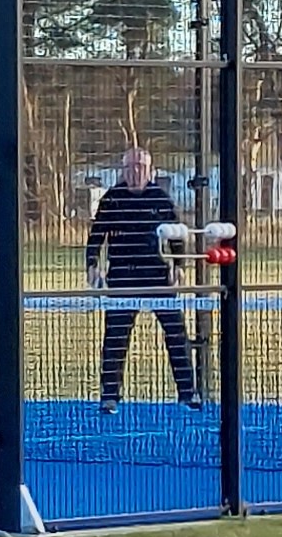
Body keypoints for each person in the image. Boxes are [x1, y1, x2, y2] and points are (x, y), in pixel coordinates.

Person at [83, 146, 200, 412]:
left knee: (176, 334)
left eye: (140, 167)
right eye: (130, 167)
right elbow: (96, 237)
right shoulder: (111, 199)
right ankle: (109, 396)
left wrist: (178, 266)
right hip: (122, 276)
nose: (135, 172)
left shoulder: (161, 198)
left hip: (157, 276)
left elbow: (177, 235)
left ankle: (188, 393)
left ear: (151, 171)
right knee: (115, 337)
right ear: (122, 171)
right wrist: (92, 266)